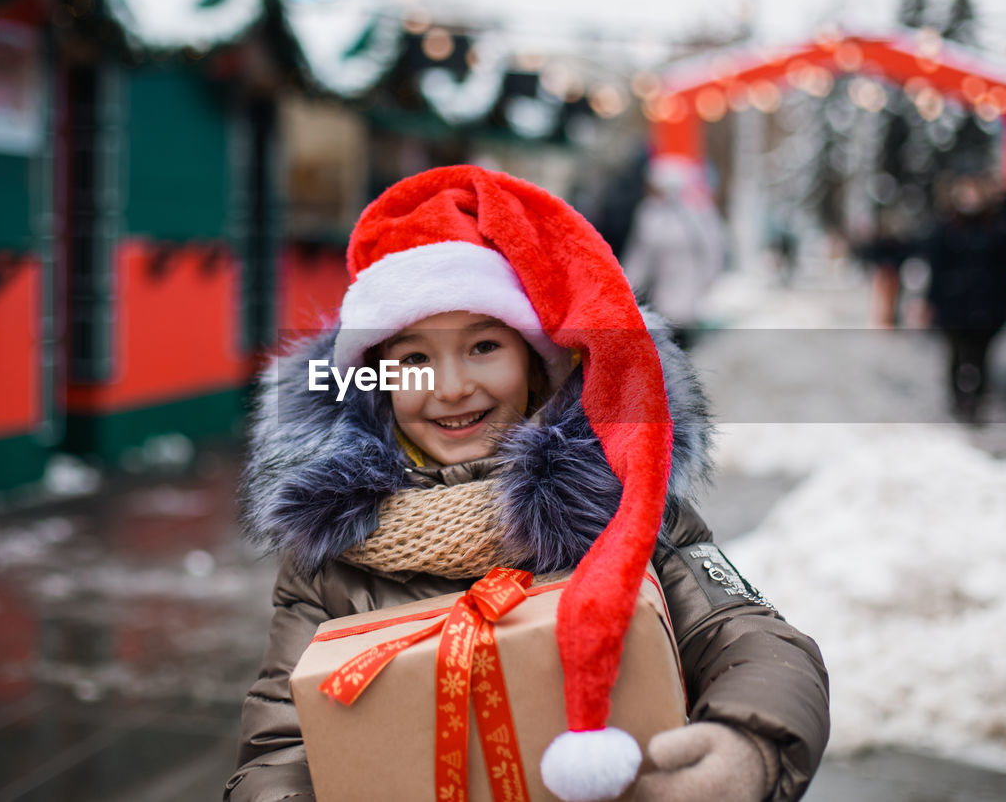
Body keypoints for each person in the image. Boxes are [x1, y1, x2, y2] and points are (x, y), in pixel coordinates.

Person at [228, 166, 829, 802]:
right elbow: (278, 744)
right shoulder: (327, 555)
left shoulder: (623, 500)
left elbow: (753, 639)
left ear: (536, 361)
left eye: (483, 346)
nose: (452, 386)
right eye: (414, 359)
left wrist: (746, 749)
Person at [925, 170, 1006, 423]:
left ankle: (976, 405)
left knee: (981, 358)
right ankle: (958, 401)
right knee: (956, 355)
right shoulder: (947, 227)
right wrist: (931, 302)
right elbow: (935, 267)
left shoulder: (997, 224)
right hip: (954, 306)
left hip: (988, 305)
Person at [621, 158, 726, 348]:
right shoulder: (651, 214)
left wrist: (707, 283)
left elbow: (712, 252)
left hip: (687, 300)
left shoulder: (695, 214)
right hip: (665, 300)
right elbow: (639, 258)